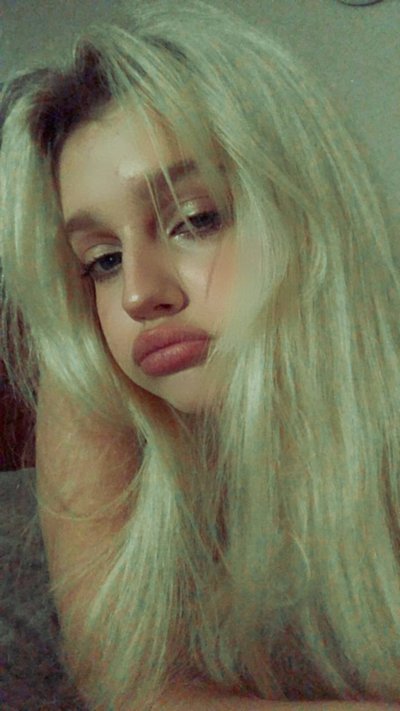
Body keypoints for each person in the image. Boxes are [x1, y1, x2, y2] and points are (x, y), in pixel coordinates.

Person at [1, 0, 400, 708]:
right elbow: (131, 680)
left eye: (194, 219)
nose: (137, 294)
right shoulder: (93, 381)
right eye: (102, 260)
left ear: (311, 216)